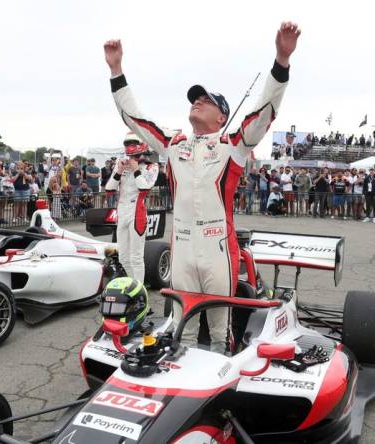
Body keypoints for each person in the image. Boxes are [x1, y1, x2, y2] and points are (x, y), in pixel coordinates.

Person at [104, 21, 299, 350]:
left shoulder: (233, 146)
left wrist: (281, 61)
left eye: (205, 100)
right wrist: (116, 70)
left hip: (217, 249)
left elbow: (265, 111)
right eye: (195, 99)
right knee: (181, 331)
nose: (196, 102)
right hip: (180, 247)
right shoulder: (173, 145)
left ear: (221, 116)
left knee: (220, 332)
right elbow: (133, 119)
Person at [104, 133, 159, 282]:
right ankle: (132, 285)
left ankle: (140, 291)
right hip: (122, 212)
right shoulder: (121, 164)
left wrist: (136, 169)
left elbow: (144, 189)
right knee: (123, 257)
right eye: (127, 144)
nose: (129, 147)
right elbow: (109, 190)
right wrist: (119, 171)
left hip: (137, 213)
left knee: (136, 257)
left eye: (132, 143)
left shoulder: (151, 166)